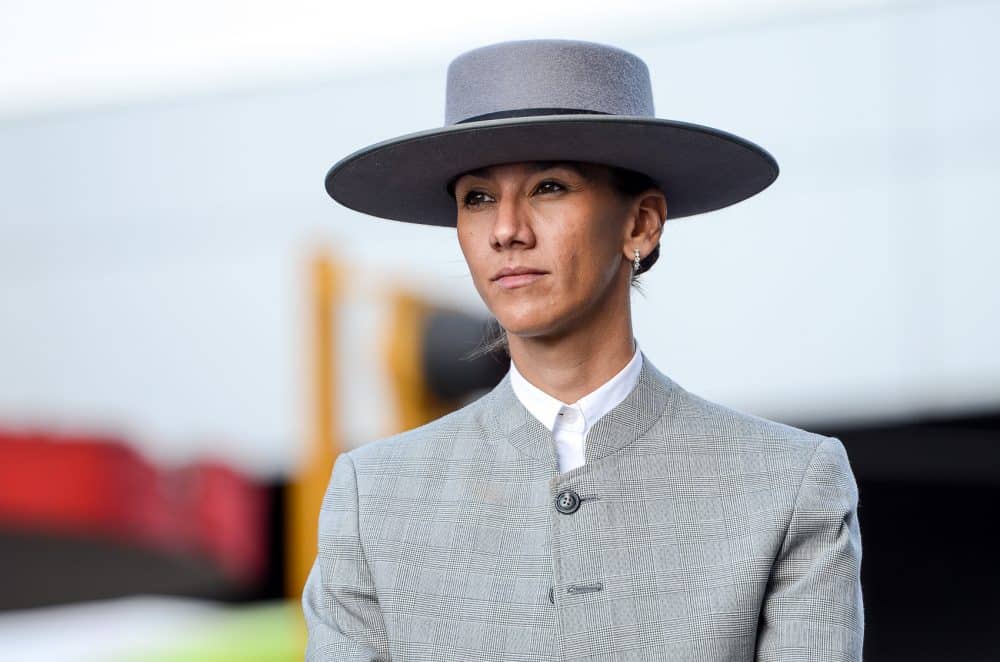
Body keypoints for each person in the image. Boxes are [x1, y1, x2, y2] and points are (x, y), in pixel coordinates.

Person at [303, 39, 863, 661]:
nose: (507, 230)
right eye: (478, 198)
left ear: (641, 223)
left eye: (549, 186)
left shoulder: (785, 483)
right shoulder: (376, 495)